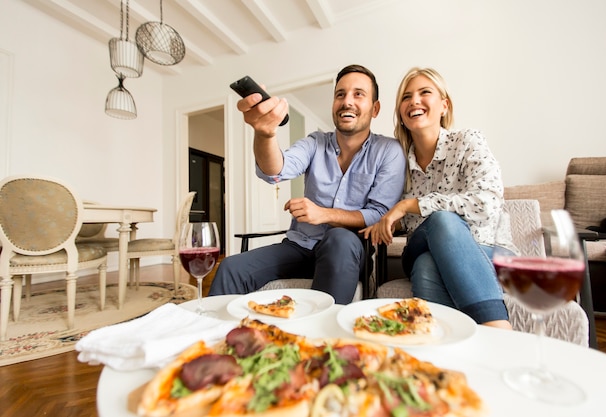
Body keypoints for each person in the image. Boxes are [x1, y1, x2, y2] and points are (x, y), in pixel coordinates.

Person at [209, 64, 406, 304]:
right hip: (299, 247)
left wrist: (324, 214)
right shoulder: (315, 142)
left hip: (348, 251)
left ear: (375, 109)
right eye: (340, 94)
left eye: (358, 94)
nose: (347, 101)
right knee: (231, 267)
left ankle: (319, 339)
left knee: (339, 239)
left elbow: (381, 214)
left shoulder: (389, 151)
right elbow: (276, 170)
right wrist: (265, 133)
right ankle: (217, 337)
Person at [361, 67, 515, 329]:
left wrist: (412, 204)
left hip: (489, 250)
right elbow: (406, 223)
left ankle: (443, 347)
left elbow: (487, 202)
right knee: (441, 222)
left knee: (427, 264)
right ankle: (497, 330)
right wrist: (388, 222)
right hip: (422, 243)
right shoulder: (398, 163)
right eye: (406, 97)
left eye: (424, 92)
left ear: (444, 105)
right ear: (401, 111)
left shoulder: (468, 141)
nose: (414, 101)